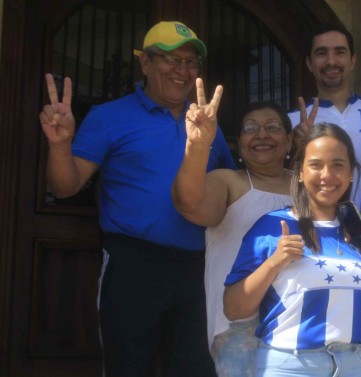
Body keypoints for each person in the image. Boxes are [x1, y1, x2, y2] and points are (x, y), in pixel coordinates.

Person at [38, 20, 235, 377]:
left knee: (195, 368)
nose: (182, 71)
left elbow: (232, 191)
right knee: (128, 367)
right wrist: (59, 144)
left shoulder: (207, 124)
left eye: (190, 62)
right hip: (133, 263)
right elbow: (65, 186)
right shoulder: (110, 117)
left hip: (199, 266)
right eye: (170, 60)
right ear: (145, 62)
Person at [223, 123, 361, 377]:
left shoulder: (358, 230)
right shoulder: (271, 226)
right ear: (299, 172)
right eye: (316, 165)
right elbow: (233, 309)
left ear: (351, 173)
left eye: (338, 165)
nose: (327, 175)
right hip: (291, 367)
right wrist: (273, 263)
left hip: (357, 364)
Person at [172, 100, 294, 376]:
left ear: (289, 142)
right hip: (241, 331)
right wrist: (198, 146)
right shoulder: (229, 182)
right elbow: (188, 203)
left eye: (272, 127)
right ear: (239, 144)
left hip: (303, 325)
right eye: (251, 129)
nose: (262, 134)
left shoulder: (309, 186)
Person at [288, 23, 361, 205]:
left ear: (353, 61)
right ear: (309, 64)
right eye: (321, 53)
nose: (331, 61)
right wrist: (296, 150)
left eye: (339, 52)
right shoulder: (292, 122)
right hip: (320, 228)